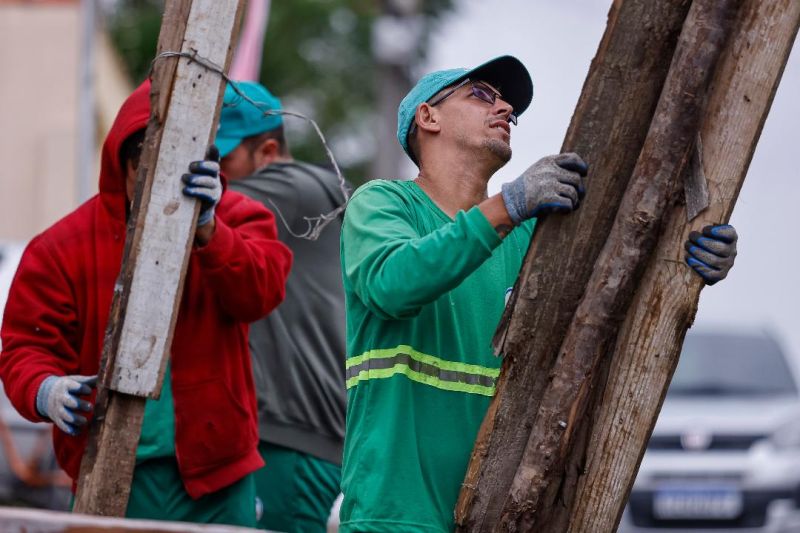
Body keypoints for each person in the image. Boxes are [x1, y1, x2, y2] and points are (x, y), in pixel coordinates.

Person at [338, 55, 738, 532]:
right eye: (482, 94)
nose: (504, 107)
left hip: (497, 515)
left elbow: (603, 312)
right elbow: (393, 285)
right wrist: (507, 207)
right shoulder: (384, 204)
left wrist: (685, 264)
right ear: (428, 117)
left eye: (507, 103)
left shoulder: (527, 240)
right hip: (396, 514)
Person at [0, 79, 293, 527]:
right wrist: (46, 390)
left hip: (219, 475)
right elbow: (24, 348)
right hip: (107, 472)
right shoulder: (59, 247)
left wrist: (211, 231)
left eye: (173, 170)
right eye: (146, 168)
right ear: (123, 164)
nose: (159, 185)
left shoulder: (236, 216)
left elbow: (262, 293)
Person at [215, 81, 347, 532]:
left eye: (221, 160)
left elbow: (171, 205)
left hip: (291, 438)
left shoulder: (294, 188)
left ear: (268, 151)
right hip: (291, 435)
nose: (211, 174)